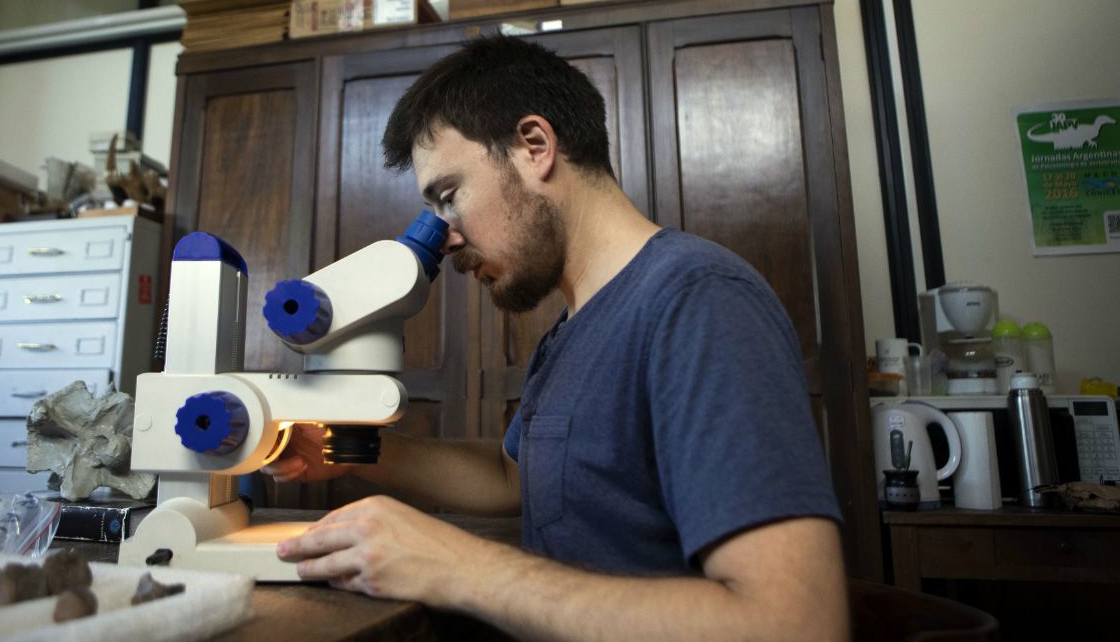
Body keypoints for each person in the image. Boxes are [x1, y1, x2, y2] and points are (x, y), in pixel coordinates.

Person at [266, 35, 848, 641]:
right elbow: (512, 478)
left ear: (534, 146)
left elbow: (797, 624)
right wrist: (340, 448)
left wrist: (458, 567)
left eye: (449, 196)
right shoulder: (573, 328)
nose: (449, 237)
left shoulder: (697, 301)